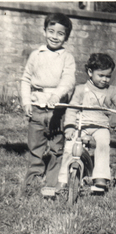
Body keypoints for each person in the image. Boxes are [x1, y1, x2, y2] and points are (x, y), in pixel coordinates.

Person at [56, 53, 116, 192]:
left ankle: (100, 177)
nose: (105, 79)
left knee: (103, 144)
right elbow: (72, 109)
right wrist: (69, 127)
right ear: (90, 72)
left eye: (108, 76)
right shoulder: (80, 90)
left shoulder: (111, 91)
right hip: (81, 125)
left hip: (100, 126)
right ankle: (63, 179)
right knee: (69, 147)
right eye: (101, 75)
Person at [20, 13, 75, 192]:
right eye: (51, 31)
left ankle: (53, 181)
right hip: (37, 108)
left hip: (57, 109)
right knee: (35, 145)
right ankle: (34, 176)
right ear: (44, 31)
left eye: (60, 34)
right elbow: (26, 79)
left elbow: (68, 81)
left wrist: (57, 95)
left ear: (66, 37)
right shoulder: (36, 55)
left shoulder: (67, 57)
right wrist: (26, 101)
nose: (54, 36)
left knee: (56, 147)